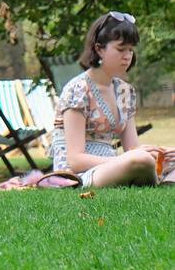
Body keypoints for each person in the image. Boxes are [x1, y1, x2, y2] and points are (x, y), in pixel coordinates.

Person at [49, 12, 174, 188]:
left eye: (131, 49)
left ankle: (163, 181)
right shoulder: (78, 89)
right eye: (121, 49)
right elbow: (75, 160)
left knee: (151, 159)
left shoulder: (125, 91)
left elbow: (132, 149)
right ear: (99, 49)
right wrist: (131, 157)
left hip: (115, 165)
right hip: (77, 174)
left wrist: (160, 153)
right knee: (141, 160)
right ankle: (159, 181)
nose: (127, 56)